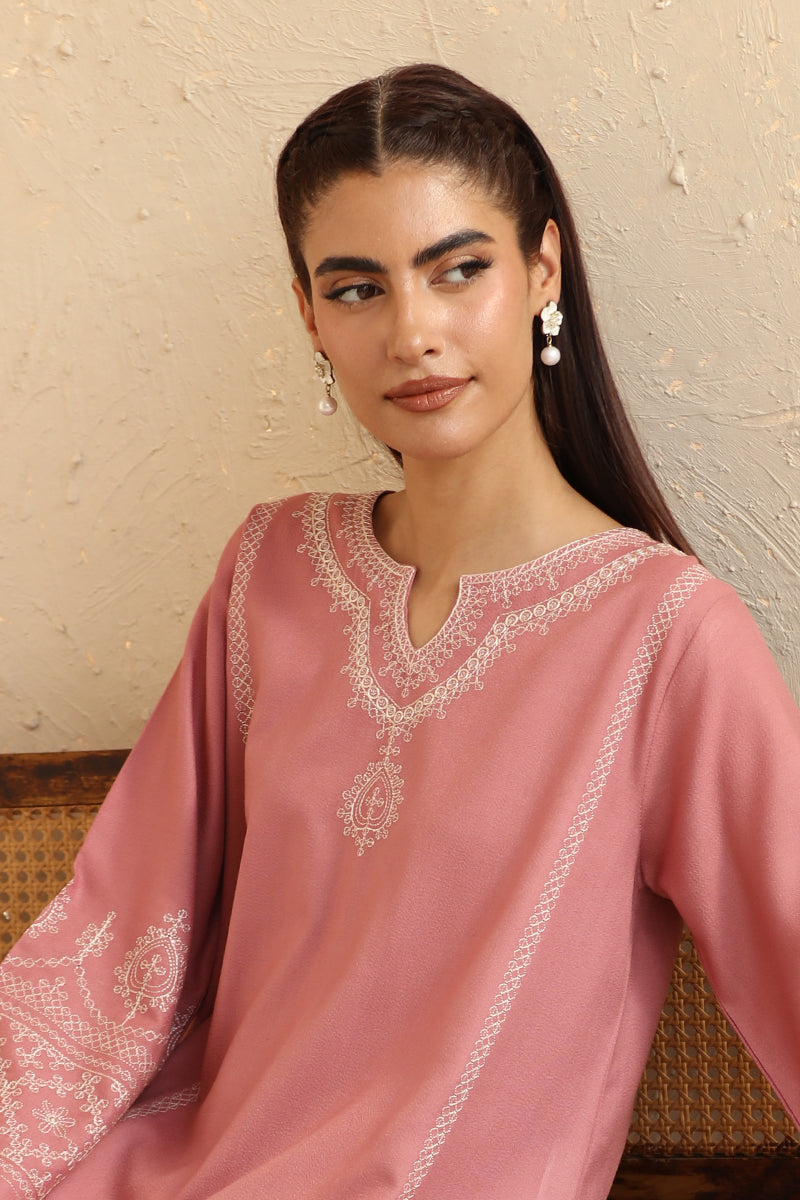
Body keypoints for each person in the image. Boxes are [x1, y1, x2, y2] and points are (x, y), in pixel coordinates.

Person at [0, 63, 798, 1200]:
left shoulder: (664, 638)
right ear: (308, 314)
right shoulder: (268, 573)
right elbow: (118, 927)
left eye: (457, 269)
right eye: (358, 288)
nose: (412, 332)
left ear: (541, 270)